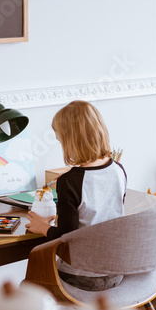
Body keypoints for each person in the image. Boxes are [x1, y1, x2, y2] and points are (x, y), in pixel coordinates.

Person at [26, 100, 127, 291]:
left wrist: (43, 227)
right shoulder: (119, 170)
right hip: (116, 272)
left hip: (83, 276)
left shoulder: (70, 181)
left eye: (61, 140)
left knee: (32, 278)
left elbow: (66, 236)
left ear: (71, 140)